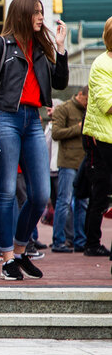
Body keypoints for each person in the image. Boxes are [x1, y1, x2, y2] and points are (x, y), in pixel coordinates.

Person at [0, 0, 69, 280]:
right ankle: (6, 257)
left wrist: (61, 48)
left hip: (32, 120)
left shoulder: (41, 49)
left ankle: (19, 251)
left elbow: (60, 82)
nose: (41, 17)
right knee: (5, 191)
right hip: (5, 118)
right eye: (36, 12)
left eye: (42, 12)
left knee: (41, 194)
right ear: (22, 14)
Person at [82, 15, 112, 266]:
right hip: (102, 139)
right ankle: (92, 243)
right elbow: (107, 104)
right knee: (99, 193)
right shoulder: (102, 63)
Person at [50, 86, 89, 253]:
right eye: (87, 100)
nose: (88, 104)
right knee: (64, 202)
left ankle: (80, 240)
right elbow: (56, 133)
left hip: (84, 162)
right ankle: (59, 241)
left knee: (82, 203)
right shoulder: (64, 108)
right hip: (67, 162)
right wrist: (79, 127)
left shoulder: (92, 111)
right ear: (80, 94)